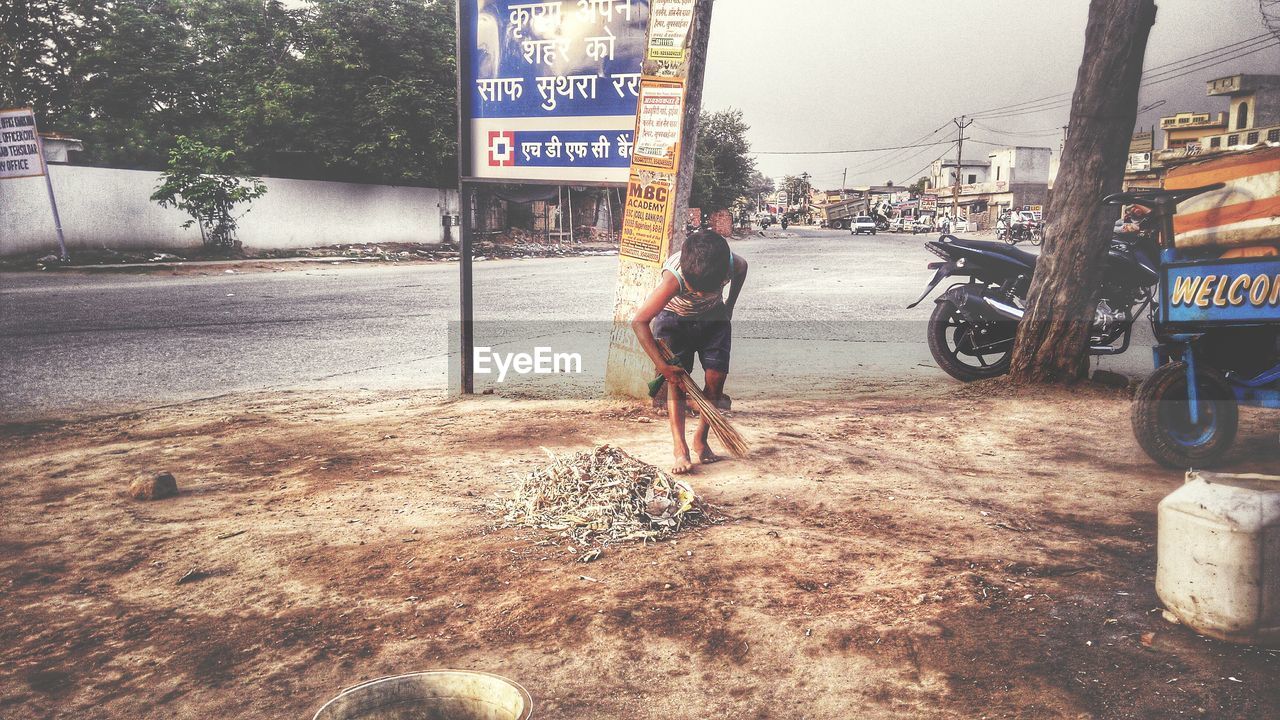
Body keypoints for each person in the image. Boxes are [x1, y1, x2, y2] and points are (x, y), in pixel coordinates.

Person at [631, 230, 749, 474]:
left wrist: (729, 307)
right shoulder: (674, 278)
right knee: (677, 381)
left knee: (716, 379)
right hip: (675, 319)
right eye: (694, 290)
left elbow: (743, 267)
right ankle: (680, 449)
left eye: (704, 291)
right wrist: (663, 367)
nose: (697, 295)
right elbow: (639, 322)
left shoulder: (730, 264)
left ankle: (701, 440)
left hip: (713, 316)